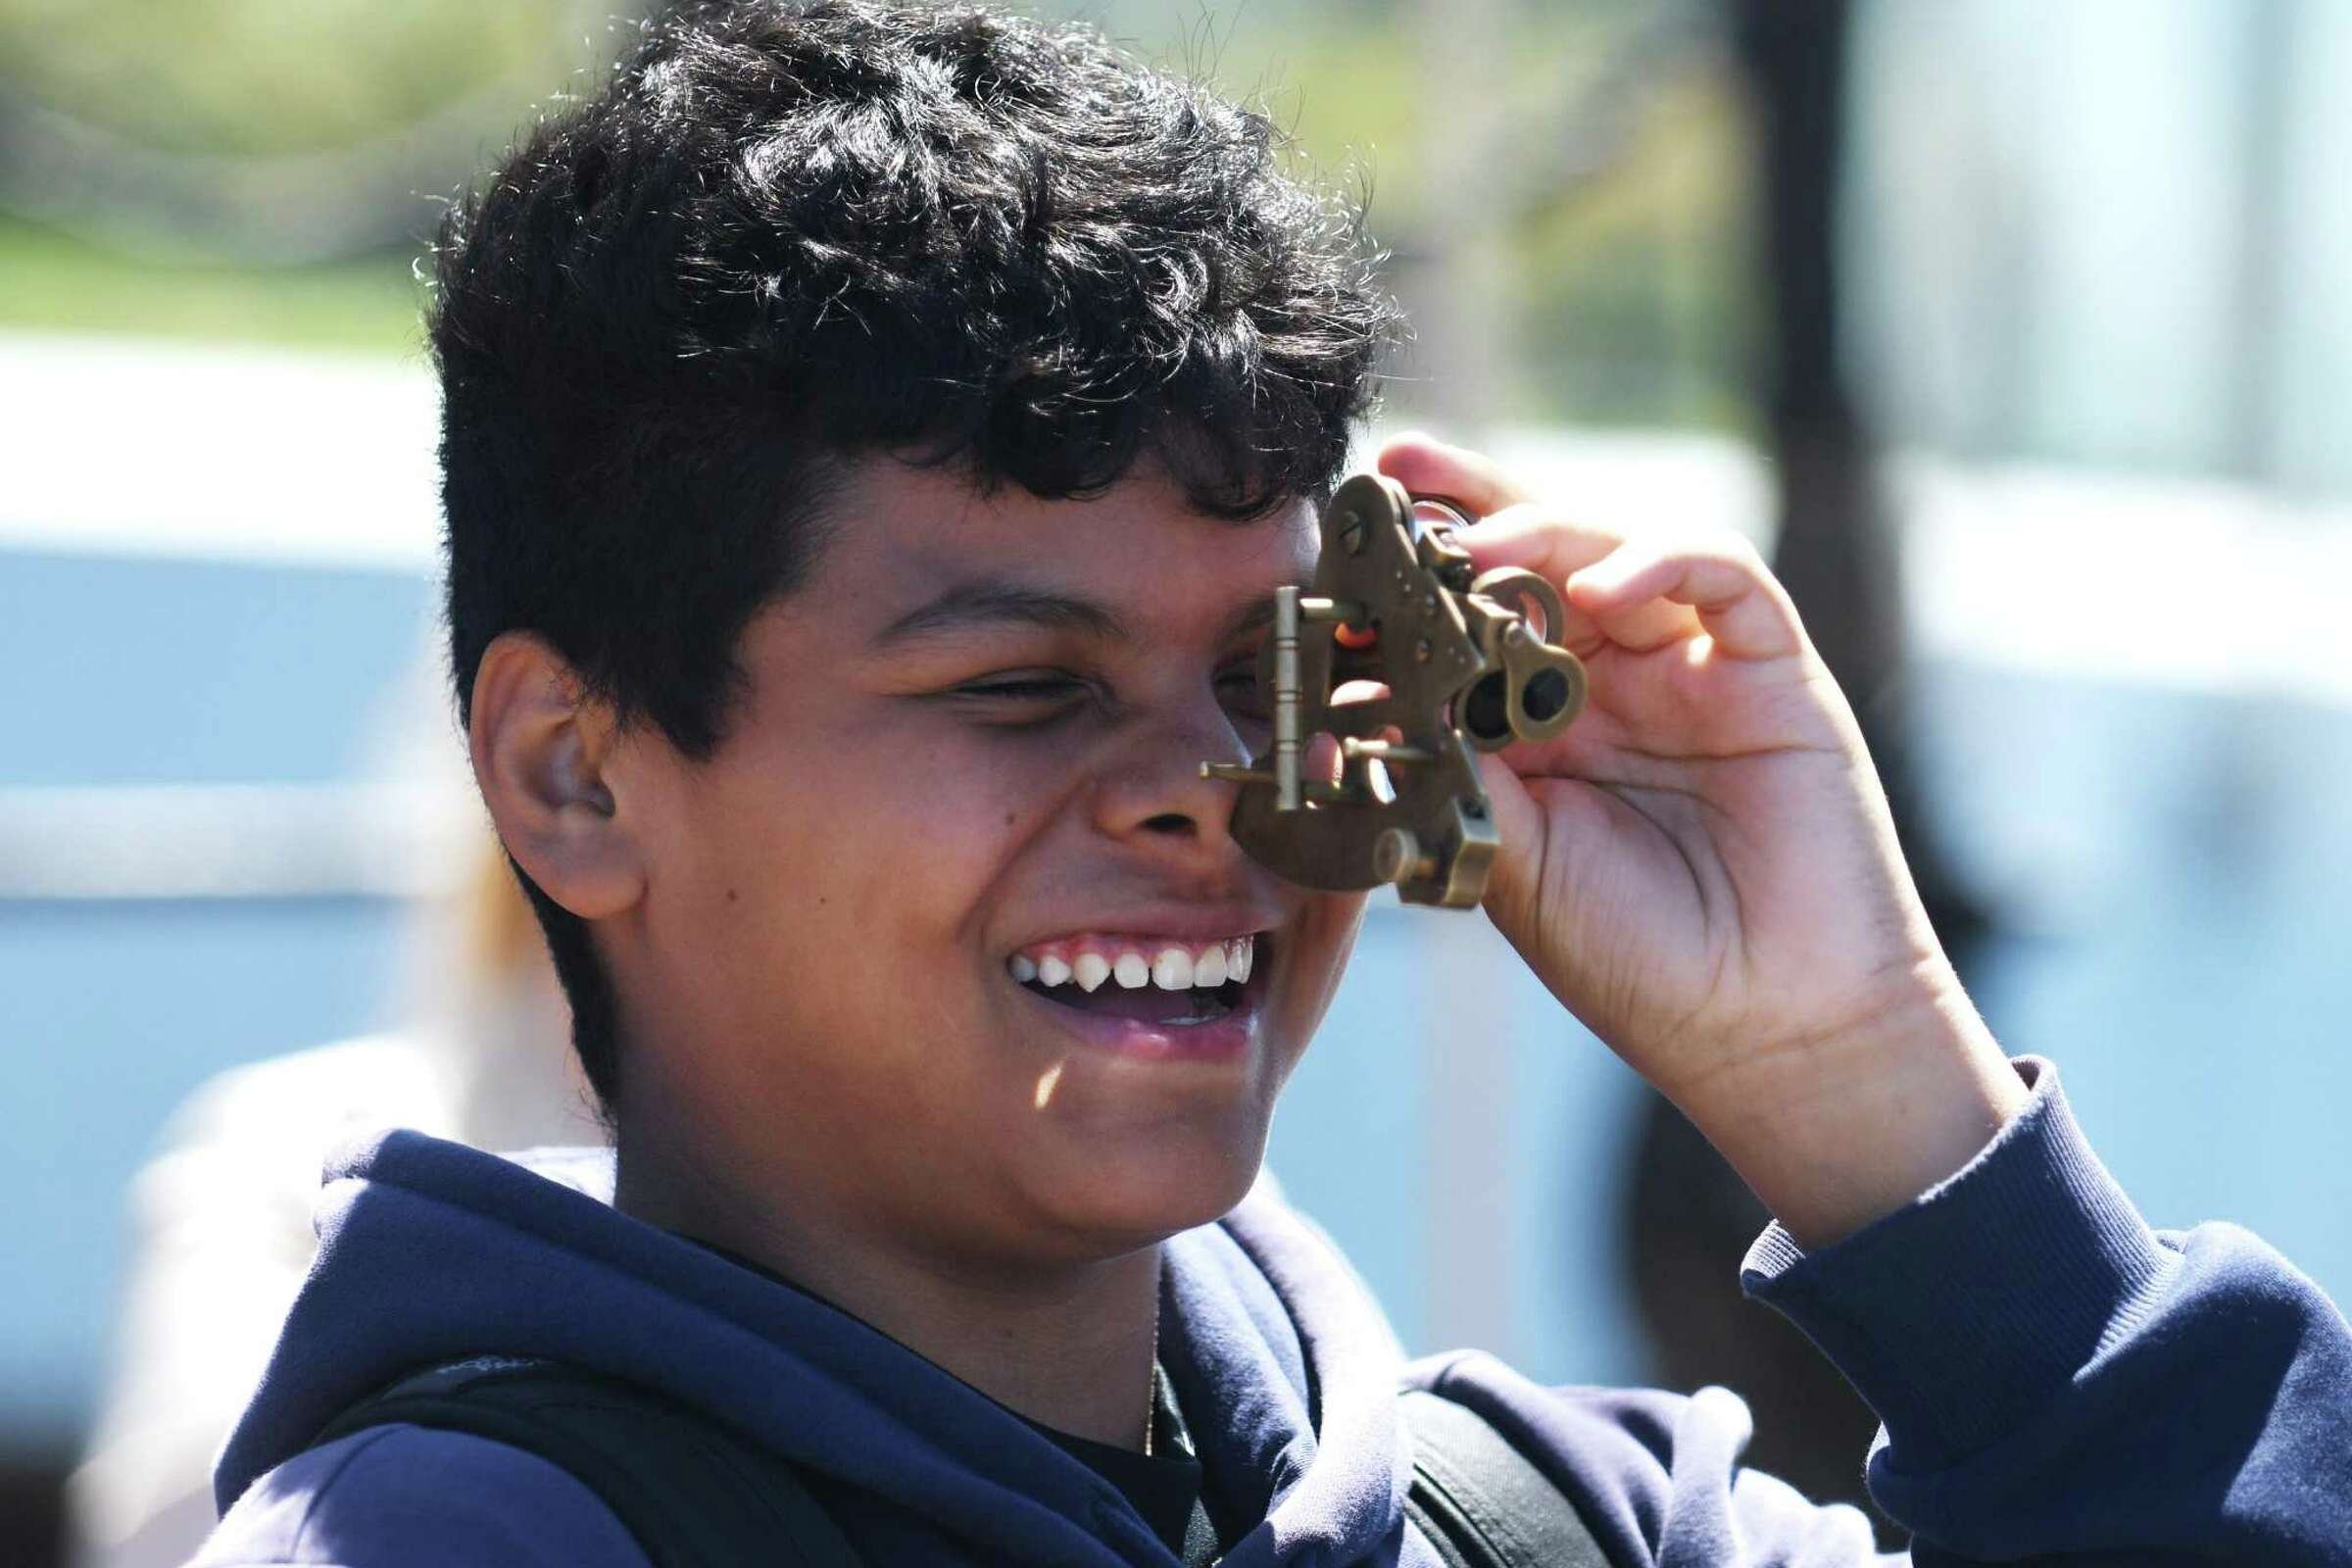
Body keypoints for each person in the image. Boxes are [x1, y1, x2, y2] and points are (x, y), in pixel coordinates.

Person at [190, 4, 2352, 1564]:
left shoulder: (1551, 1516)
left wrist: (1874, 1080)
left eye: (1267, 668)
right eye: (1025, 684)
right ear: (575, 774)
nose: (1207, 786)